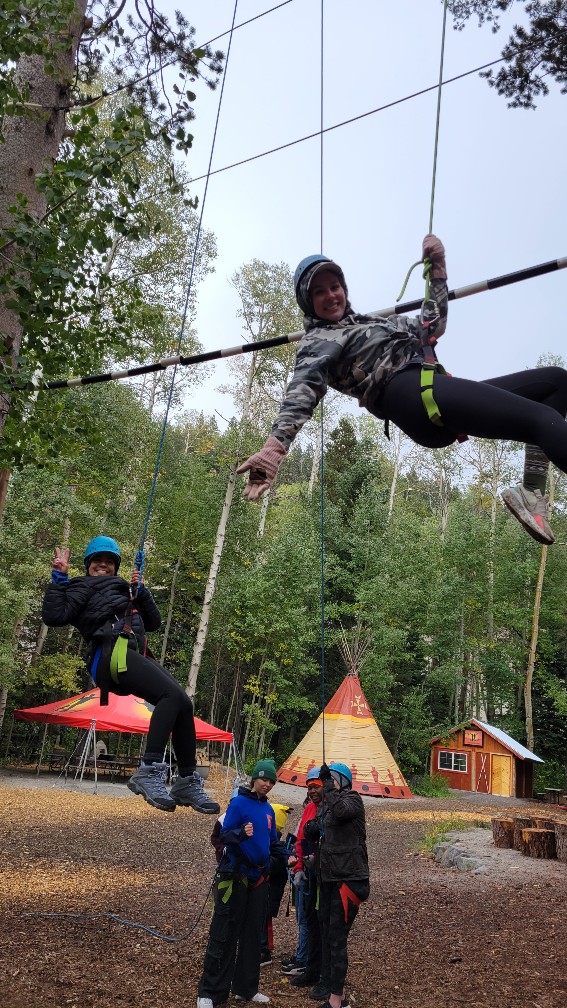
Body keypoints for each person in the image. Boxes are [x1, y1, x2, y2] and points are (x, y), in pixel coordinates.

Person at [236, 237, 567, 546]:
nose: (331, 296)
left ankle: (531, 491)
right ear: (307, 303)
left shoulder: (374, 323)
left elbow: (431, 326)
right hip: (408, 395)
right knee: (540, 420)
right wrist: (274, 449)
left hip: (431, 388)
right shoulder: (317, 341)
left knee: (555, 382)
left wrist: (437, 272)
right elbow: (302, 391)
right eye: (319, 292)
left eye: (334, 287)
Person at [42, 535, 220, 816]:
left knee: (183, 704)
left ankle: (187, 780)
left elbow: (153, 623)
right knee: (170, 696)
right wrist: (59, 578)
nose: (103, 565)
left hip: (131, 653)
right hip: (109, 654)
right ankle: (149, 770)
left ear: (116, 566)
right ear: (88, 564)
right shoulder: (80, 586)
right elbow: (55, 616)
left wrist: (141, 590)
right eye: (97, 561)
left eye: (109, 561)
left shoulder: (126, 589)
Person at [197, 759, 297, 1008]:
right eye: (264, 779)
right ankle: (210, 992)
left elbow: (272, 843)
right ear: (254, 779)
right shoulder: (239, 803)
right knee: (224, 934)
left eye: (272, 781)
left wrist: (287, 855)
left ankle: (246, 988)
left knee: (253, 936)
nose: (268, 784)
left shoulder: (268, 810)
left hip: (259, 879)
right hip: (235, 876)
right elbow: (224, 835)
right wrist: (242, 833)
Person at [302, 761, 369, 1008]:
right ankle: (330, 987)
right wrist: (311, 828)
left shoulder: (353, 799)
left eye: (330, 779)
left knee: (337, 938)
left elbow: (341, 812)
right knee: (328, 936)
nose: (325, 783)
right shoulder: (328, 805)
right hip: (329, 879)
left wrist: (328, 783)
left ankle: (336, 1000)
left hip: (349, 879)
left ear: (341, 781)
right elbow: (322, 826)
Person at [285, 766, 324, 987]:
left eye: (316, 786)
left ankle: (312, 963)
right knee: (306, 917)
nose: (312, 790)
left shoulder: (330, 808)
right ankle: (307, 961)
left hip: (325, 874)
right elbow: (301, 840)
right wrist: (299, 867)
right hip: (309, 871)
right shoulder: (310, 808)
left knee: (319, 921)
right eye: (309, 787)